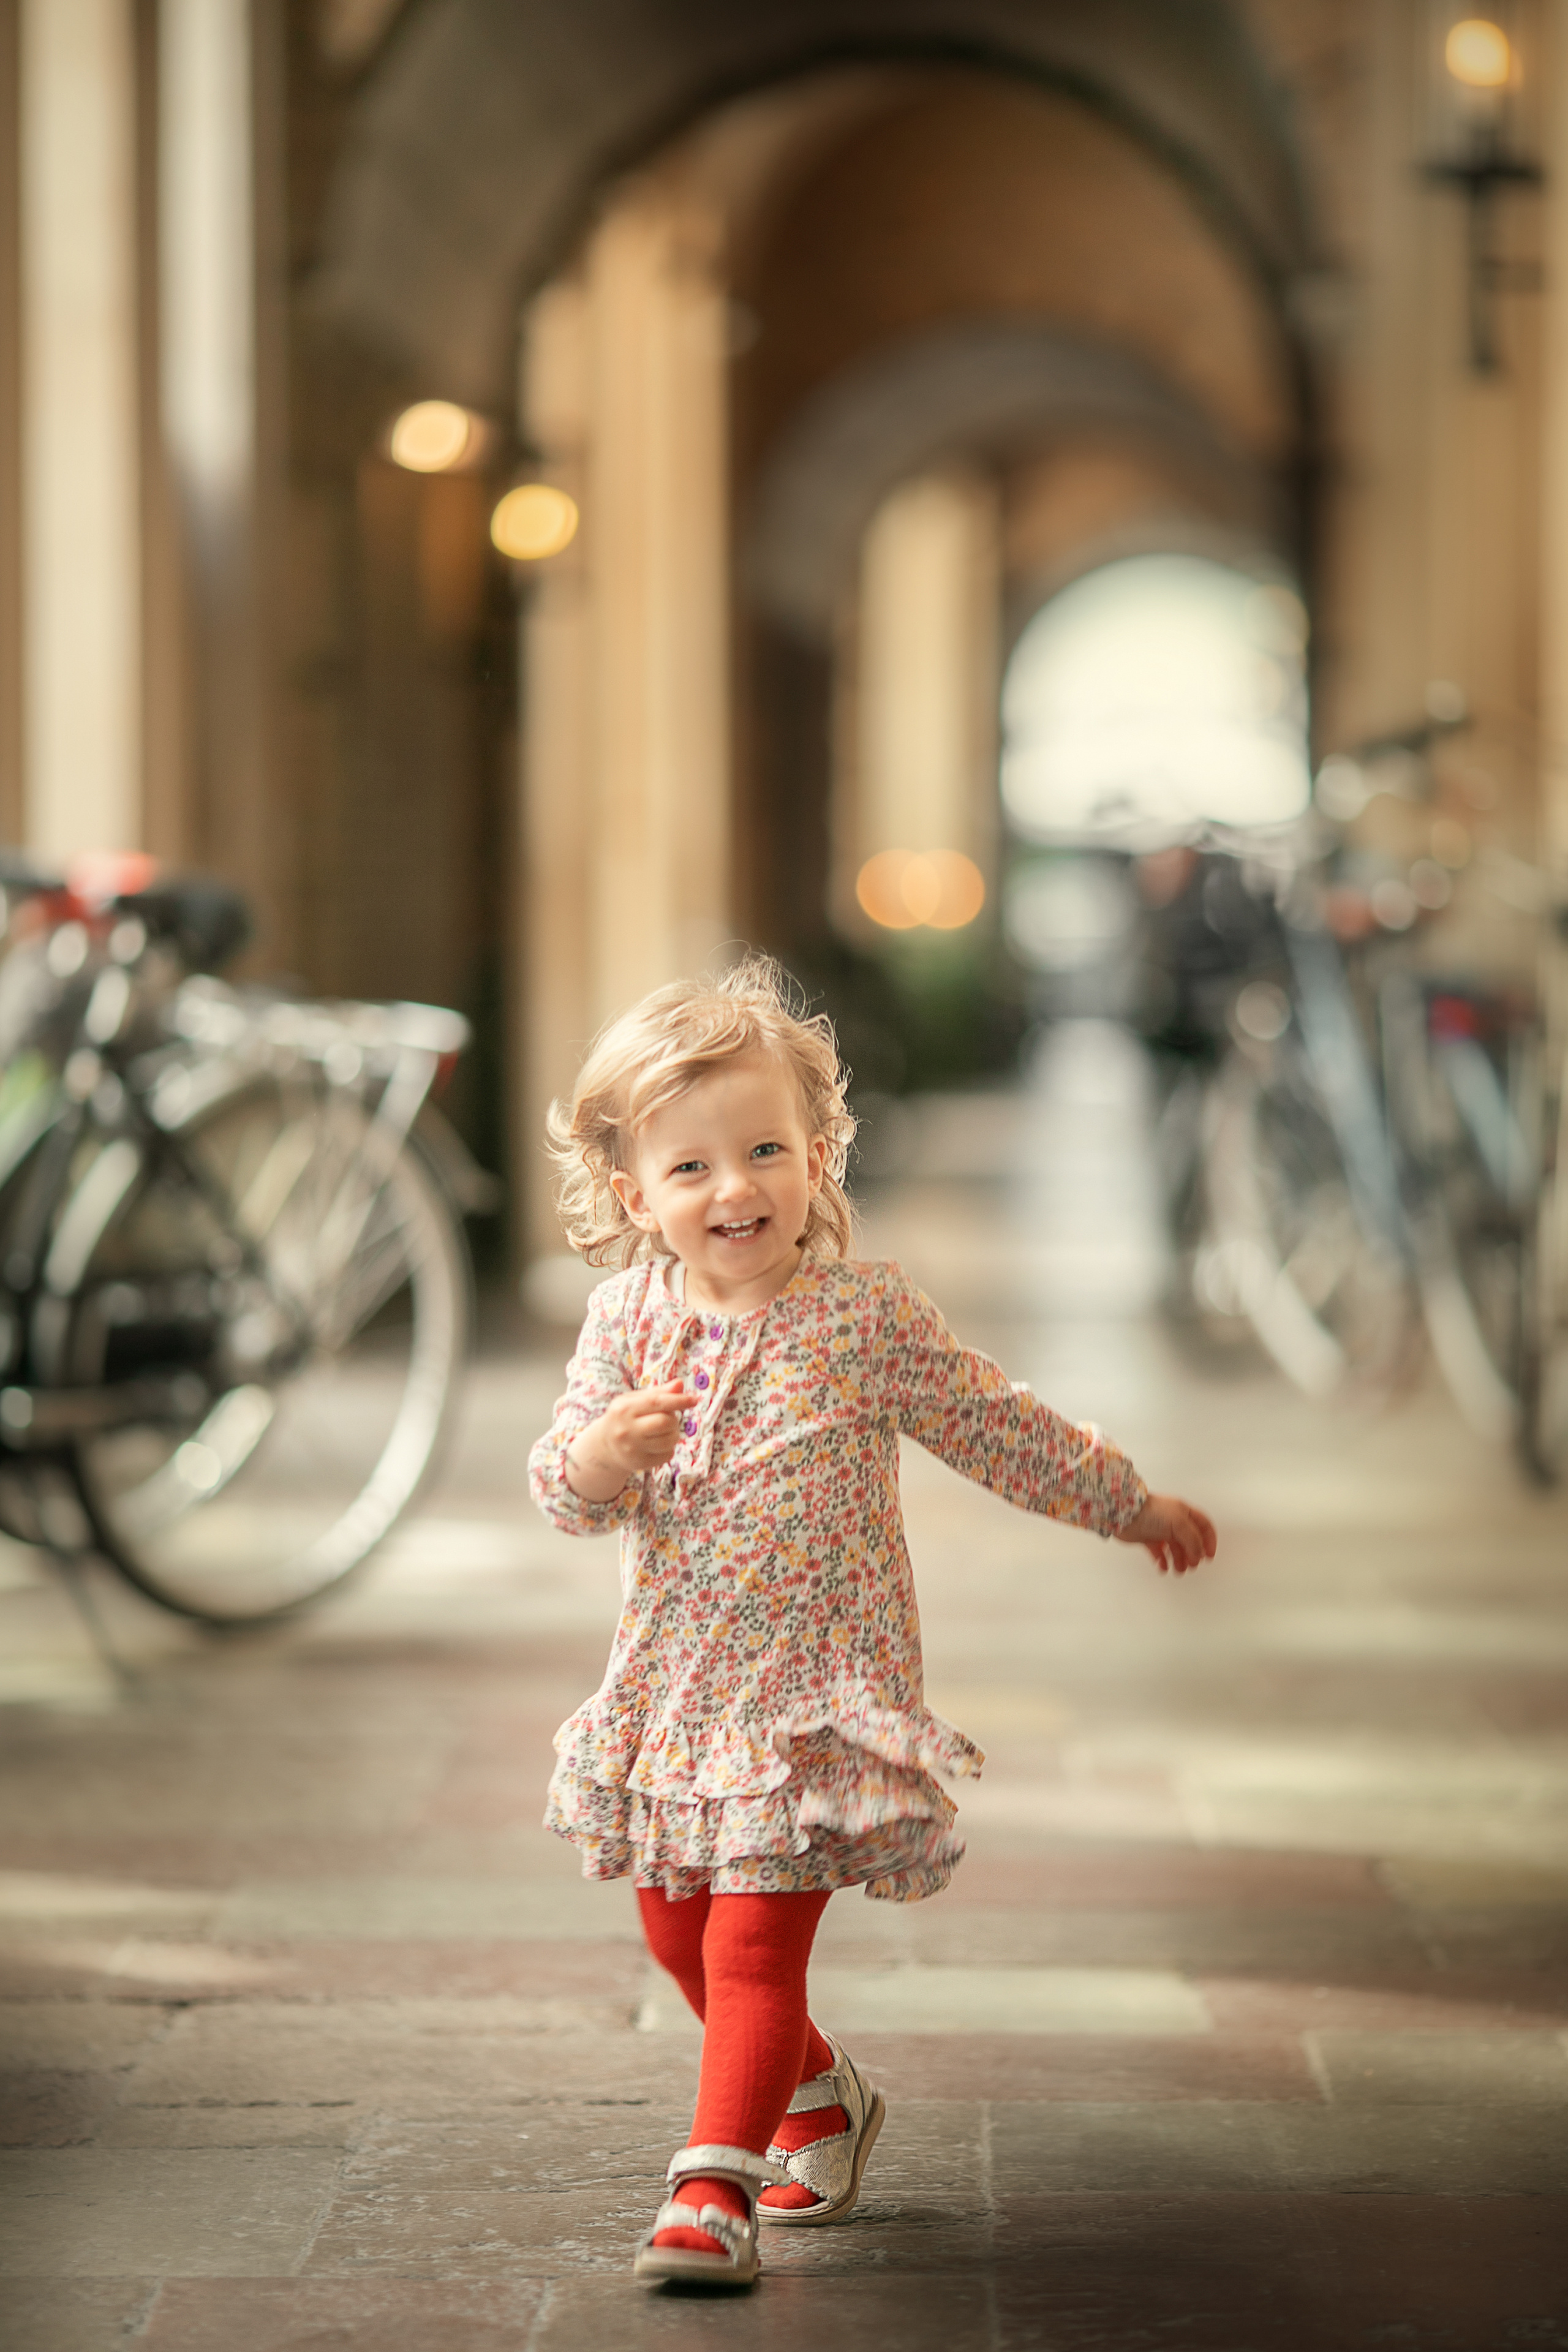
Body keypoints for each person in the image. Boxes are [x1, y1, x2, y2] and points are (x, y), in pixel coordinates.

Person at [528, 956, 1216, 2290]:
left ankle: (710, 2198)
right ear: (635, 1197)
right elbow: (563, 1491)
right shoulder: (623, 1325)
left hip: (816, 1704)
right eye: (690, 1168)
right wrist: (603, 1455)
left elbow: (994, 1423)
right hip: (678, 1697)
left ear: (818, 1153)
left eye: (764, 1151)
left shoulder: (863, 1318)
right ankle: (820, 2101)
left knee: (749, 1948)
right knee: (677, 1936)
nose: (734, 1188)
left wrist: (1123, 1503)